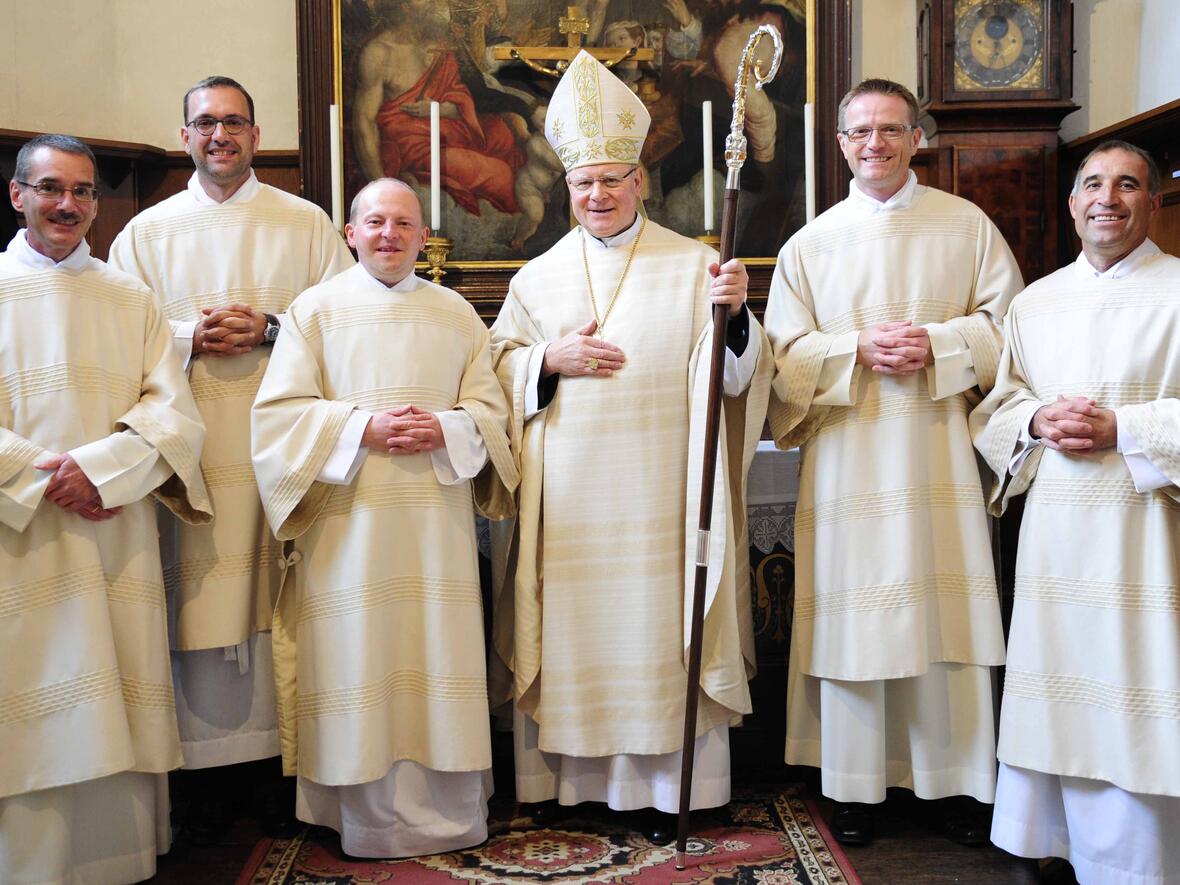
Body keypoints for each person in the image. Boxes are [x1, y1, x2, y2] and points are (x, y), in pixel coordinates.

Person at [490, 50, 771, 843]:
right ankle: (573, 784)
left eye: (613, 179)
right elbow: (497, 371)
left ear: (639, 181)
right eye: (584, 182)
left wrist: (738, 315)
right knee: (580, 629)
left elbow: (743, 376)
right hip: (571, 509)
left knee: (661, 629)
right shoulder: (534, 281)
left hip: (663, 502)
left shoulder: (696, 267)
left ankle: (670, 786)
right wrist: (547, 360)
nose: (598, 194)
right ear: (569, 187)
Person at [763, 78, 1022, 845]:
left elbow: (1012, 328)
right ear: (840, 144)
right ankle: (854, 785)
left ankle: (953, 782)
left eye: (890, 129)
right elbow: (783, 356)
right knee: (857, 619)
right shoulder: (810, 244)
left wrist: (940, 344)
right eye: (860, 131)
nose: (874, 143)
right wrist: (855, 348)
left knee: (944, 616)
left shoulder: (966, 225)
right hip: (849, 458)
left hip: (938, 455)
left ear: (917, 138)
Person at [107, 75, 354, 835]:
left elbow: (347, 323)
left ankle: (282, 774)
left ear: (255, 133)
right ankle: (205, 785)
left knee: (280, 604)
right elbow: (118, 338)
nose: (221, 135)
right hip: (194, 458)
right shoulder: (144, 235)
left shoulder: (307, 224)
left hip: (283, 452)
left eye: (235, 123)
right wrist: (189, 339)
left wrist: (273, 328)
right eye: (205, 124)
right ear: (184, 138)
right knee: (201, 596)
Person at [250, 178, 517, 857]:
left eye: (403, 223)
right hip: (349, 527)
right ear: (350, 232)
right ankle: (357, 815)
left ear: (424, 236)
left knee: (435, 650)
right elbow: (277, 418)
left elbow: (491, 412)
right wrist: (359, 428)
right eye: (374, 222)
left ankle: (450, 814)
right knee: (358, 654)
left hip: (436, 528)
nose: (388, 234)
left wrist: (447, 429)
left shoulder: (456, 313)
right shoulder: (314, 311)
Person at [0, 134, 211, 883]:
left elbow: (175, 413)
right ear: (17, 194)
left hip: (112, 525)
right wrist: (36, 475)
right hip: (17, 538)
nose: (68, 205)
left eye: (83, 191)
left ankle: (116, 856)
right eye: (51, 188)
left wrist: (102, 472)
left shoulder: (130, 297)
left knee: (116, 682)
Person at [971, 140, 1180, 885]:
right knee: (1055, 680)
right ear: (1071, 202)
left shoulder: (1177, 290)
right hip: (1057, 531)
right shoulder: (1037, 300)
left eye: (1128, 185)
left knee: (1132, 687)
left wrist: (1122, 429)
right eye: (1093, 183)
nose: (1108, 198)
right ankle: (1045, 842)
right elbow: (999, 406)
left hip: (1146, 532)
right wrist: (1034, 423)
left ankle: (1134, 861)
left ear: (1153, 202)